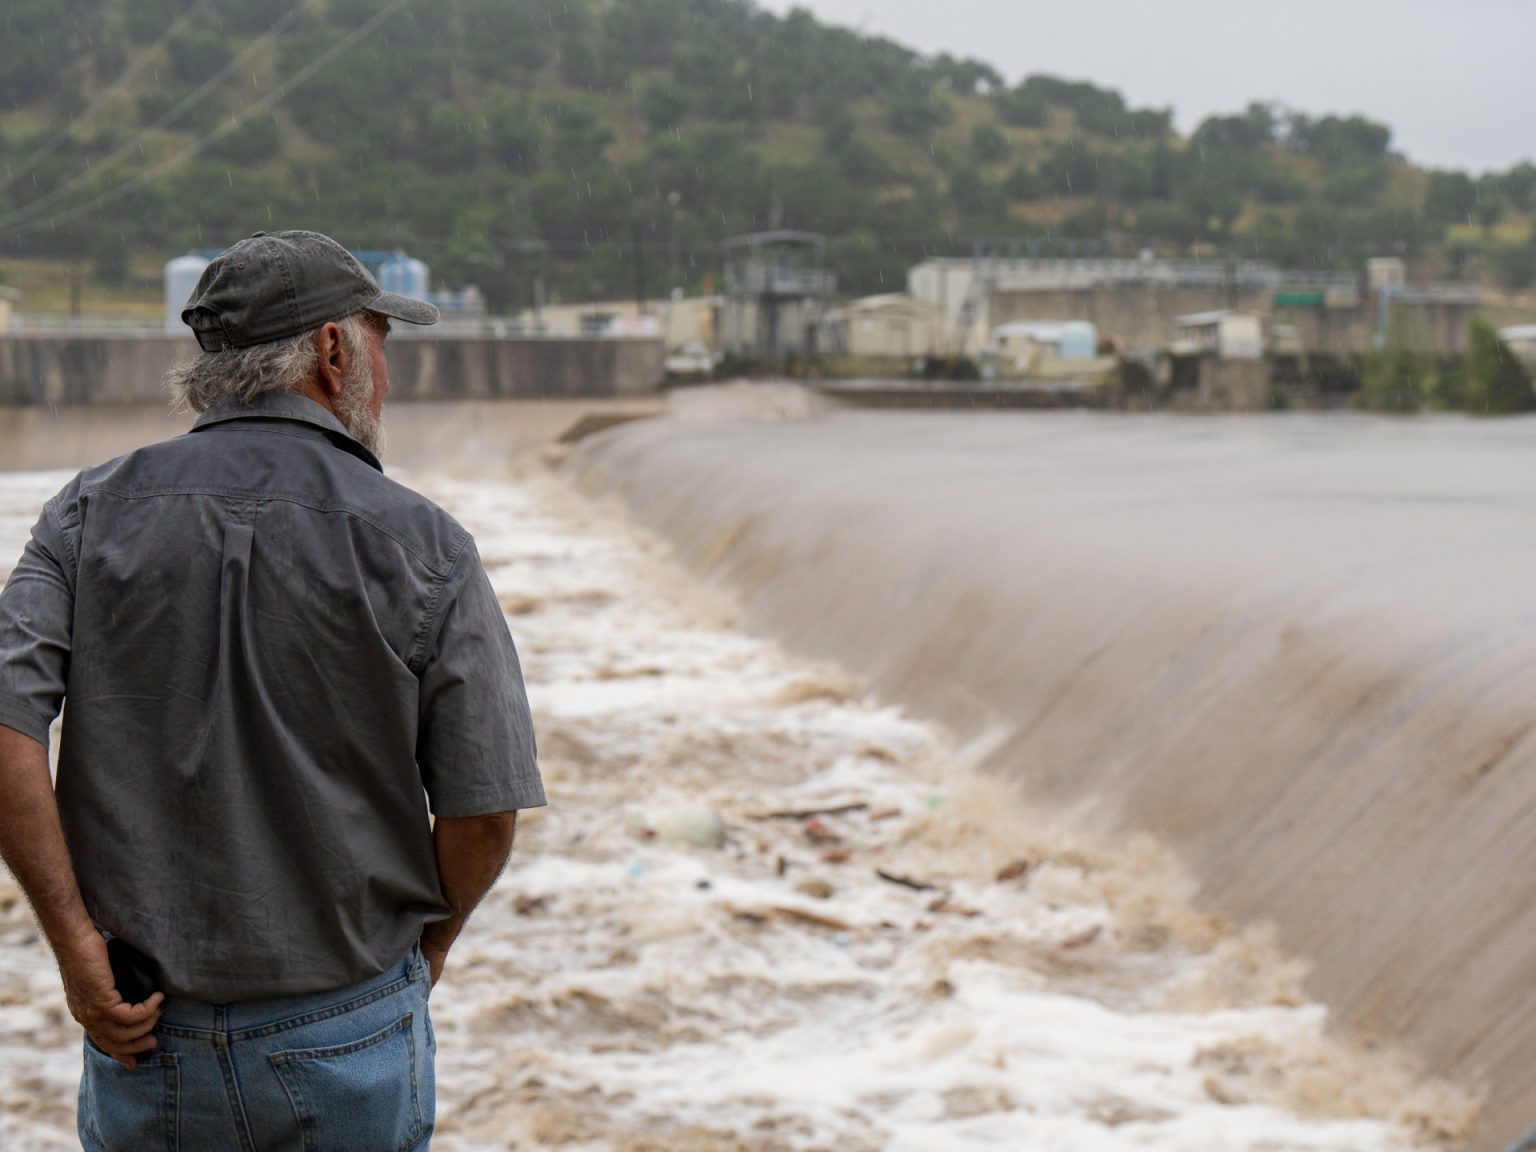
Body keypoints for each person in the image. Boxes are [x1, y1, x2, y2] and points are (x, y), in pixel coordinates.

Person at [0, 230, 544, 1150]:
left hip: (142, 1026)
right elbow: (484, 811)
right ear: (332, 352)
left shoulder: (86, 514)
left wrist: (77, 950)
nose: (386, 374)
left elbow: (6, 725)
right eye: (380, 342)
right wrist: (430, 950)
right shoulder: (426, 545)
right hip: (348, 1030)